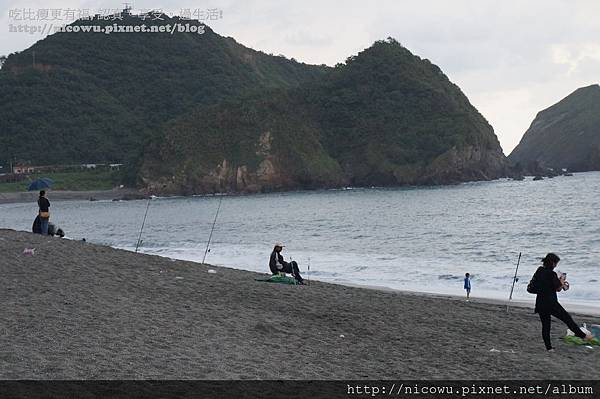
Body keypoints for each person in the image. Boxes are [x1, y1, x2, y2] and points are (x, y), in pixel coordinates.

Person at [533, 253, 593, 351]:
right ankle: (583, 336)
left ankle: (549, 348)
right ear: (552, 263)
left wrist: (560, 283)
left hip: (540, 302)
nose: (556, 265)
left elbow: (548, 286)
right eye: (556, 263)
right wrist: (561, 281)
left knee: (546, 325)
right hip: (551, 303)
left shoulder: (539, 271)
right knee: (567, 319)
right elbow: (558, 288)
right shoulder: (551, 274)